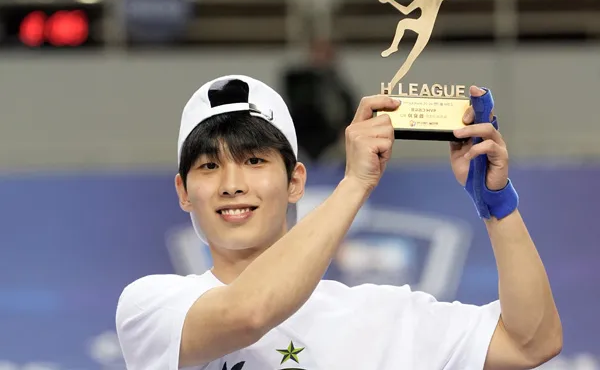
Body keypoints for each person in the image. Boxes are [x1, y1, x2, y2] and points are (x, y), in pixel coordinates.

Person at [115, 75, 562, 370]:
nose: (232, 185)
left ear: (295, 181)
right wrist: (356, 183)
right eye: (210, 167)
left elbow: (531, 342)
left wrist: (498, 206)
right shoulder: (154, 305)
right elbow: (249, 312)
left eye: (253, 161)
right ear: (183, 191)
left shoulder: (381, 313)